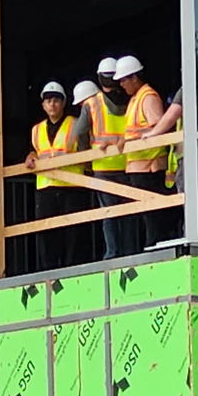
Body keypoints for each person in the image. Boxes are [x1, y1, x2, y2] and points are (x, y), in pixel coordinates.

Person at [24, 80, 88, 272]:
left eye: (56, 100)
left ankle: (73, 269)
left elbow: (85, 150)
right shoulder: (36, 130)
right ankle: (49, 270)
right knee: (47, 233)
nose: (52, 104)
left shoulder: (75, 125)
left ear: (64, 103)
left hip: (72, 187)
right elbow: (35, 151)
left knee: (74, 235)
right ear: (43, 105)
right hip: (46, 189)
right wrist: (31, 156)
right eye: (49, 101)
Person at [72, 58, 130, 259]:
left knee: (108, 213)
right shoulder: (132, 98)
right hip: (130, 163)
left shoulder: (92, 103)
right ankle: (131, 250)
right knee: (129, 211)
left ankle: (113, 252)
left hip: (103, 165)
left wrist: (86, 157)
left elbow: (80, 132)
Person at [114, 55, 171, 251]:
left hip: (150, 166)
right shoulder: (135, 100)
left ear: (134, 77)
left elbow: (160, 127)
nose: (122, 85)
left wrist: (130, 139)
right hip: (137, 167)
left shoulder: (148, 97)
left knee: (153, 215)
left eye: (123, 80)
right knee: (144, 215)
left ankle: (154, 247)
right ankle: (149, 246)